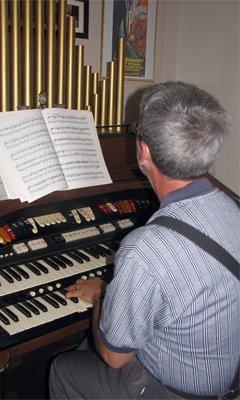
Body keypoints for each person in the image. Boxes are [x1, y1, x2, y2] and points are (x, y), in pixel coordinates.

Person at [49, 81, 240, 399]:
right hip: (224, 375)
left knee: (63, 367)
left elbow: (114, 357)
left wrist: (102, 293)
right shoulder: (232, 206)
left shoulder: (146, 248)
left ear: (144, 151)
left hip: (176, 391)